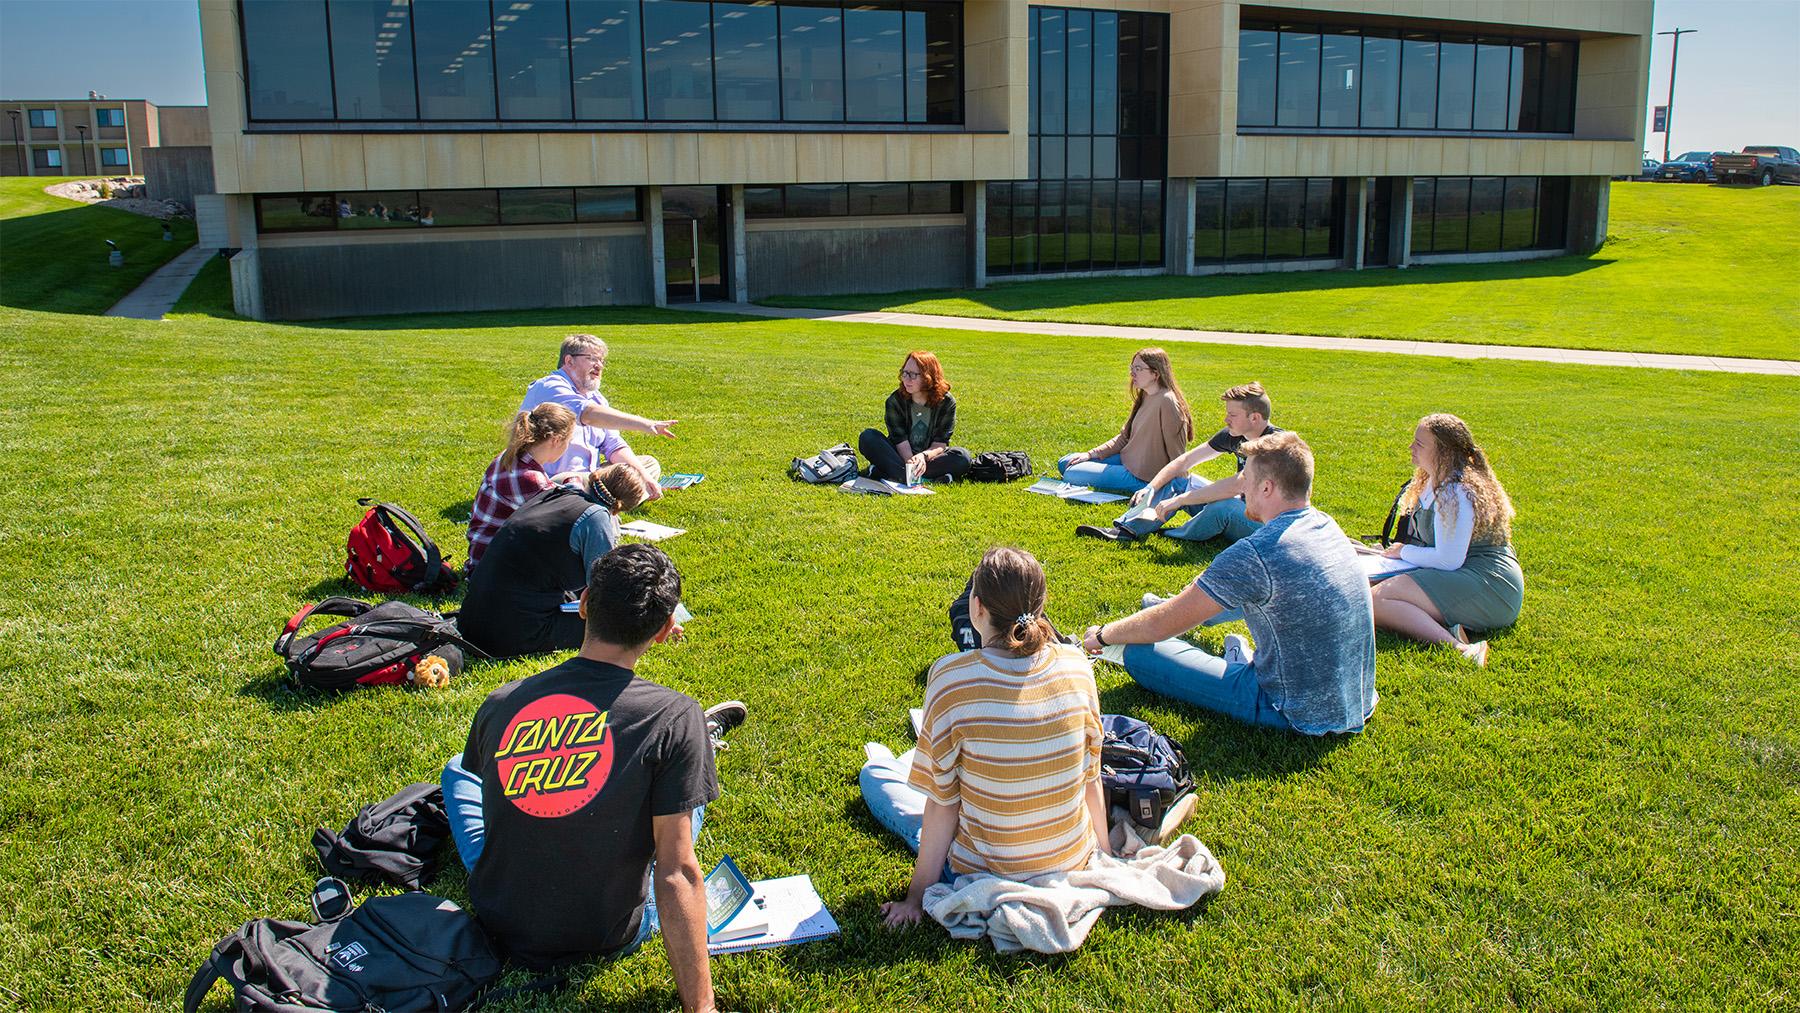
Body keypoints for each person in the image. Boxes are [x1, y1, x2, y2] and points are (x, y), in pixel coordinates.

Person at [441, 543, 747, 1013]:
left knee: (458, 772)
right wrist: (701, 1008)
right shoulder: (672, 715)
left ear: (583, 603)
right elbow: (677, 871)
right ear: (666, 631)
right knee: (685, 793)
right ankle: (700, 746)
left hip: (499, 915)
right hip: (609, 931)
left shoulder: (501, 702)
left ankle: (686, 758)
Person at [862, 547, 1108, 928]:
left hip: (985, 869)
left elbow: (942, 807)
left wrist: (916, 897)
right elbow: (1091, 777)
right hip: (1070, 858)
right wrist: (1104, 857)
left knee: (875, 778)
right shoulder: (1078, 665)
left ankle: (888, 762)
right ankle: (906, 762)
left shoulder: (950, 678)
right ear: (1041, 607)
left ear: (976, 607)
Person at [1081, 432, 1377, 736]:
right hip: (1358, 700)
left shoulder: (1257, 553)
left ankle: (1239, 667)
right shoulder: (1328, 526)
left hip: (1290, 708)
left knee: (1139, 652)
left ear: (1266, 487)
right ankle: (1241, 661)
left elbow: (1164, 624)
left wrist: (1103, 635)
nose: (1241, 488)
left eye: (1245, 479)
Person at [1370, 414, 1522, 667]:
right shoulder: (1433, 480)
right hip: (1463, 573)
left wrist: (1403, 551)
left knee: (1375, 600)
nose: (1411, 448)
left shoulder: (1455, 490)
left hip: (1491, 587)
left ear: (1444, 453)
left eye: (1419, 444)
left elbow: (1448, 560)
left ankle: (1461, 648)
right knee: (1367, 586)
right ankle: (1447, 624)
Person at [457, 464, 649, 659]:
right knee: (615, 628)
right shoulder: (596, 518)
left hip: (471, 619)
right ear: (621, 508)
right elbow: (604, 592)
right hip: (506, 636)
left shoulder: (556, 492)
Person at [1078, 382, 1284, 545]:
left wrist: (1181, 500)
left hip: (1266, 525)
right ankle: (1126, 530)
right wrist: (1151, 487)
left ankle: (1174, 534)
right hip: (1244, 505)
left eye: (1232, 414)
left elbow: (1238, 485)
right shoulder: (1235, 435)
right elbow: (1185, 460)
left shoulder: (1275, 445)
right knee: (1179, 480)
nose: (1225, 419)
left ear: (1255, 418)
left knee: (1223, 507)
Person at [521, 333, 677, 501]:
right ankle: (608, 501)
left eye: (602, 360)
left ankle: (607, 499)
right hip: (553, 480)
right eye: (592, 358)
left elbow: (613, 445)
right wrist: (646, 424)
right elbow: (587, 414)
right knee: (576, 482)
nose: (599, 366)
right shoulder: (549, 386)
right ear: (569, 361)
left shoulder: (596, 397)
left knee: (647, 465)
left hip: (591, 478)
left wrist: (646, 477)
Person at [1056, 348, 1194, 495]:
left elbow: (1177, 452)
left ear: (1155, 374)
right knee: (1065, 462)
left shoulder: (1168, 402)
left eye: (1138, 369)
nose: (1132, 373)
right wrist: (1090, 454)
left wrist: (1179, 487)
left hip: (1142, 476)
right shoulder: (1146, 395)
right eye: (1132, 368)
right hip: (1127, 460)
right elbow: (1124, 438)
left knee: (1071, 473)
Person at [465, 403, 584, 570]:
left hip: (483, 554)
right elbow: (569, 515)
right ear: (556, 440)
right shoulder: (530, 479)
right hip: (493, 569)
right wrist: (576, 482)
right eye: (568, 442)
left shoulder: (510, 456)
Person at [858, 351, 972, 484]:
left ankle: (888, 473)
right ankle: (923, 478)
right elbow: (899, 440)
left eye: (912, 375)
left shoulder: (946, 402)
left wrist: (922, 457)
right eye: (904, 373)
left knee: (963, 457)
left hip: (929, 458)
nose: (906, 379)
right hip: (900, 455)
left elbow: (940, 443)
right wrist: (911, 462)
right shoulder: (895, 401)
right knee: (868, 437)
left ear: (928, 377)